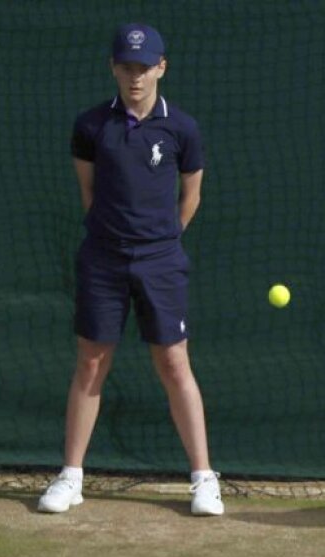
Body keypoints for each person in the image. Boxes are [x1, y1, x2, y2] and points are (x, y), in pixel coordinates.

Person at [38, 23, 222, 516]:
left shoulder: (182, 128)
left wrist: (161, 241)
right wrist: (116, 238)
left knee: (173, 362)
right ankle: (71, 477)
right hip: (103, 258)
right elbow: (89, 194)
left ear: (161, 67)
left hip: (161, 260)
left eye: (143, 67)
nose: (134, 76)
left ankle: (204, 479)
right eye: (126, 67)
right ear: (113, 68)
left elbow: (192, 196)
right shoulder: (91, 126)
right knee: (92, 362)